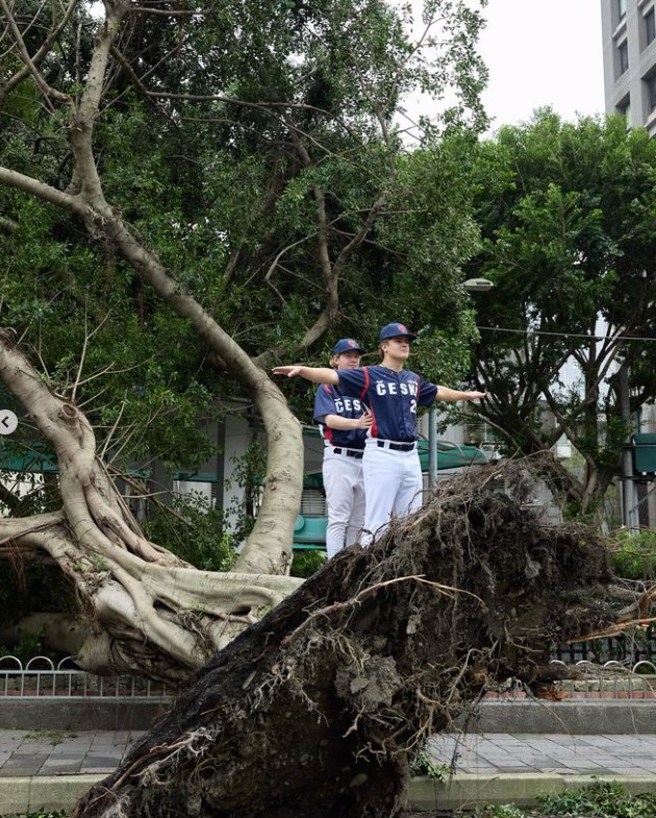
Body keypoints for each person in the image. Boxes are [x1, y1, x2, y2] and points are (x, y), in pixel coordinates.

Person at [273, 321, 486, 543]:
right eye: (398, 341)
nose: (404, 345)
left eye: (406, 341)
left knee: (411, 522)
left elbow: (438, 391)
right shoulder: (369, 375)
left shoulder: (412, 379)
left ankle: (404, 573)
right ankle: (366, 574)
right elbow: (332, 376)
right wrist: (302, 370)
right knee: (376, 523)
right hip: (382, 454)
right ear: (385, 346)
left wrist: (465, 395)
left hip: (410, 455)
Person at [314, 338, 372, 558]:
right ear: (335, 360)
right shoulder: (327, 387)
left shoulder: (364, 388)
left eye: (357, 356)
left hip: (366, 458)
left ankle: (351, 569)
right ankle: (333, 568)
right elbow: (328, 419)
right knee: (339, 518)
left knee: (360, 520)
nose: (354, 359)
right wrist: (356, 423)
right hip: (339, 457)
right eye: (348, 355)